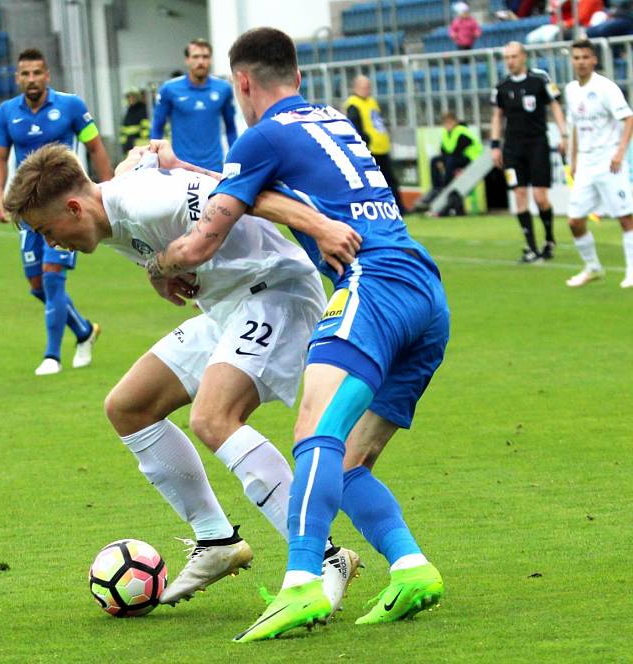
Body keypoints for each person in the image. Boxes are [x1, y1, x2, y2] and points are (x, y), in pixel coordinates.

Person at [145, 27, 449, 641]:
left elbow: (208, 235)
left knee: (314, 432)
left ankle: (303, 582)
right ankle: (412, 568)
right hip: (426, 294)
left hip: (373, 288)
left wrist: (161, 264)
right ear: (299, 78)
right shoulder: (330, 118)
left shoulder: (261, 136)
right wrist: (187, 167)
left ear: (243, 82)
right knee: (353, 459)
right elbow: (256, 187)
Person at [1, 142, 364, 612]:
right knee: (129, 407)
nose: (53, 244)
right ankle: (216, 540)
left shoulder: (151, 202)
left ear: (73, 206)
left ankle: (323, 558)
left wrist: (321, 227)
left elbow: (244, 193)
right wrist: (154, 152)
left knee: (214, 418)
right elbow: (141, 158)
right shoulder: (112, 199)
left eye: (48, 231)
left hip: (277, 293)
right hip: (227, 307)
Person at [0, 48, 112, 375]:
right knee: (36, 286)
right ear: (18, 78)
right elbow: (1, 157)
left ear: (47, 75)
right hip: (29, 215)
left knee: (53, 279)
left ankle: (52, 356)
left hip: (63, 211)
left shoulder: (71, 107)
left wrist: (110, 188)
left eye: (37, 73)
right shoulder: (7, 113)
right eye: (25, 74)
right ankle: (85, 331)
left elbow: (95, 147)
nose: (31, 79)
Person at [562, 39, 633, 288]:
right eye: (577, 58)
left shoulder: (606, 88)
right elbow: (575, 128)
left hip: (609, 161)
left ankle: (632, 270)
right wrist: (573, 160)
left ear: (594, 60)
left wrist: (620, 152)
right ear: (572, 61)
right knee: (575, 221)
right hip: (586, 164)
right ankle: (593, 267)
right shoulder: (571, 90)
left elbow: (628, 119)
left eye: (585, 57)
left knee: (626, 217)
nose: (581, 62)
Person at [491, 41, 567, 262]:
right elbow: (497, 116)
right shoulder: (501, 86)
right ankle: (531, 247)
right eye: (506, 58)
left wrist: (564, 134)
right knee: (520, 194)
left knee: (540, 196)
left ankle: (549, 240)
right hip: (513, 148)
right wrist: (495, 146)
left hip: (537, 145)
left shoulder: (540, 79)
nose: (510, 61)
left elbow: (555, 106)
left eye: (514, 56)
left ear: (523, 56)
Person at [150, 39, 238, 172]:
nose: (201, 62)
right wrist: (155, 161)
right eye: (196, 57)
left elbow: (231, 128)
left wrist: (235, 161)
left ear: (211, 60)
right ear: (187, 60)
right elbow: (157, 127)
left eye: (205, 57)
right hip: (181, 168)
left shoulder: (223, 89)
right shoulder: (169, 89)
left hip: (215, 168)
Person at [344, 75, 405, 213]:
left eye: (368, 87)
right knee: (376, 182)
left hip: (382, 147)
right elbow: (355, 126)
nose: (367, 90)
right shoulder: (353, 104)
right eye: (364, 87)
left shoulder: (371, 101)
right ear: (356, 88)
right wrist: (366, 140)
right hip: (370, 149)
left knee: (390, 180)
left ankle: (399, 208)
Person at [414, 111, 482, 214]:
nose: (447, 125)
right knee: (435, 160)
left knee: (450, 160)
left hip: (470, 158)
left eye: (449, 123)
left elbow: (458, 150)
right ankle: (436, 187)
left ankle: (446, 185)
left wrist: (444, 160)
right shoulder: (446, 133)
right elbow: (443, 150)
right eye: (445, 123)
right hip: (455, 158)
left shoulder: (462, 131)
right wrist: (441, 160)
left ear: (455, 122)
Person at [525, 0, 605, 43]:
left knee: (549, 36)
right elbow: (554, 14)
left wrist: (566, 24)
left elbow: (581, 18)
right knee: (531, 38)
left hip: (581, 28)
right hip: (562, 26)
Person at [119, 87, 150, 153]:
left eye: (131, 97)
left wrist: (142, 144)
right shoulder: (129, 110)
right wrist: (124, 144)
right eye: (128, 97)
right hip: (129, 145)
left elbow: (145, 129)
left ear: (137, 97)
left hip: (139, 145)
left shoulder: (142, 109)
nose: (129, 99)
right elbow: (124, 129)